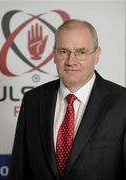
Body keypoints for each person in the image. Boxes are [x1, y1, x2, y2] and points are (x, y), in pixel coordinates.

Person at [8, 19, 126, 180]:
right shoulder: (32, 101)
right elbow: (19, 171)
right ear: (54, 55)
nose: (71, 61)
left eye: (81, 52)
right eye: (64, 52)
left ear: (97, 55)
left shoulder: (122, 103)